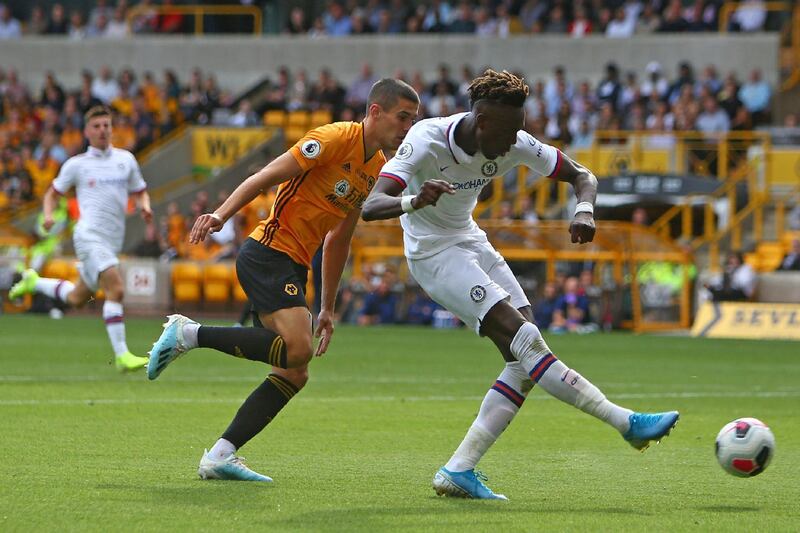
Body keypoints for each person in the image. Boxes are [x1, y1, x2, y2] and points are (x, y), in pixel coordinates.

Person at [361, 69, 679, 500]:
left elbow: (584, 175)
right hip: (434, 255)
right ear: (482, 121)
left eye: (521, 127)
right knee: (527, 343)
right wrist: (413, 200)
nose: (518, 138)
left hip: (471, 240)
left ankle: (459, 470)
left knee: (522, 362)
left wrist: (584, 210)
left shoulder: (514, 140)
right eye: (510, 129)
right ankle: (625, 423)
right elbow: (372, 205)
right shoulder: (427, 138)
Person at [146, 79, 420, 482]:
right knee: (298, 348)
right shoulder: (331, 138)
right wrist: (221, 215)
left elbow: (338, 239)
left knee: (295, 370)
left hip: (294, 267)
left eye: (413, 120)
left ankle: (221, 455)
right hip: (267, 252)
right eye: (402, 118)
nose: (408, 128)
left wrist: (327, 307)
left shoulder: (376, 169)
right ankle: (189, 333)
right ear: (375, 112)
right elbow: (265, 175)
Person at [10, 105, 152, 372]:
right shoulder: (77, 165)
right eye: (96, 126)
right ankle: (122, 355)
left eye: (106, 125)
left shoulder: (126, 160)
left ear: (112, 129)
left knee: (76, 298)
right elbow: (52, 193)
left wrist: (145, 206)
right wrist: (49, 215)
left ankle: (34, 282)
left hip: (111, 241)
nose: (102, 130)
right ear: (86, 131)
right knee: (116, 289)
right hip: (88, 236)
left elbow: (141, 190)